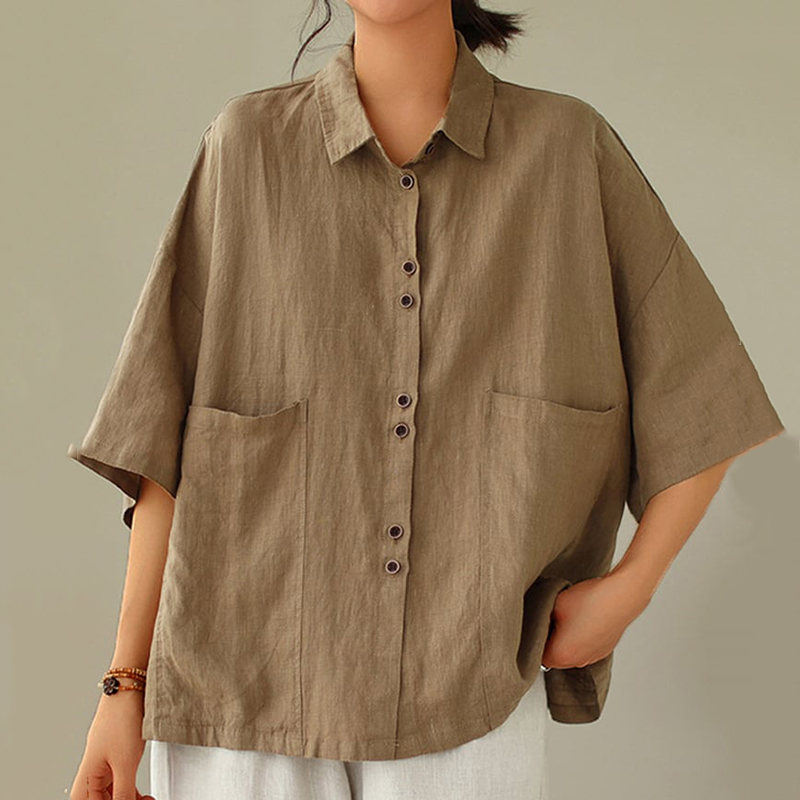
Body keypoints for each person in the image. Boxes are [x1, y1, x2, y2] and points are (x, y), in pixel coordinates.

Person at [66, 2, 786, 799]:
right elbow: (163, 448)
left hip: (468, 692)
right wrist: (123, 686)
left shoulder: (567, 152)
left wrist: (631, 588)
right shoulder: (246, 148)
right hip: (238, 693)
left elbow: (704, 390)